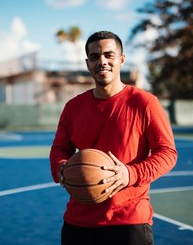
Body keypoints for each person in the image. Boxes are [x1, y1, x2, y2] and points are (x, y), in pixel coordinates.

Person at [49, 31, 177, 245]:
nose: (102, 62)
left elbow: (167, 153)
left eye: (109, 55)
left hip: (128, 223)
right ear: (88, 63)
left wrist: (131, 173)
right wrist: (61, 167)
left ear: (121, 59)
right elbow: (60, 148)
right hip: (78, 223)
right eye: (94, 57)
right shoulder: (73, 107)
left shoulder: (145, 103)